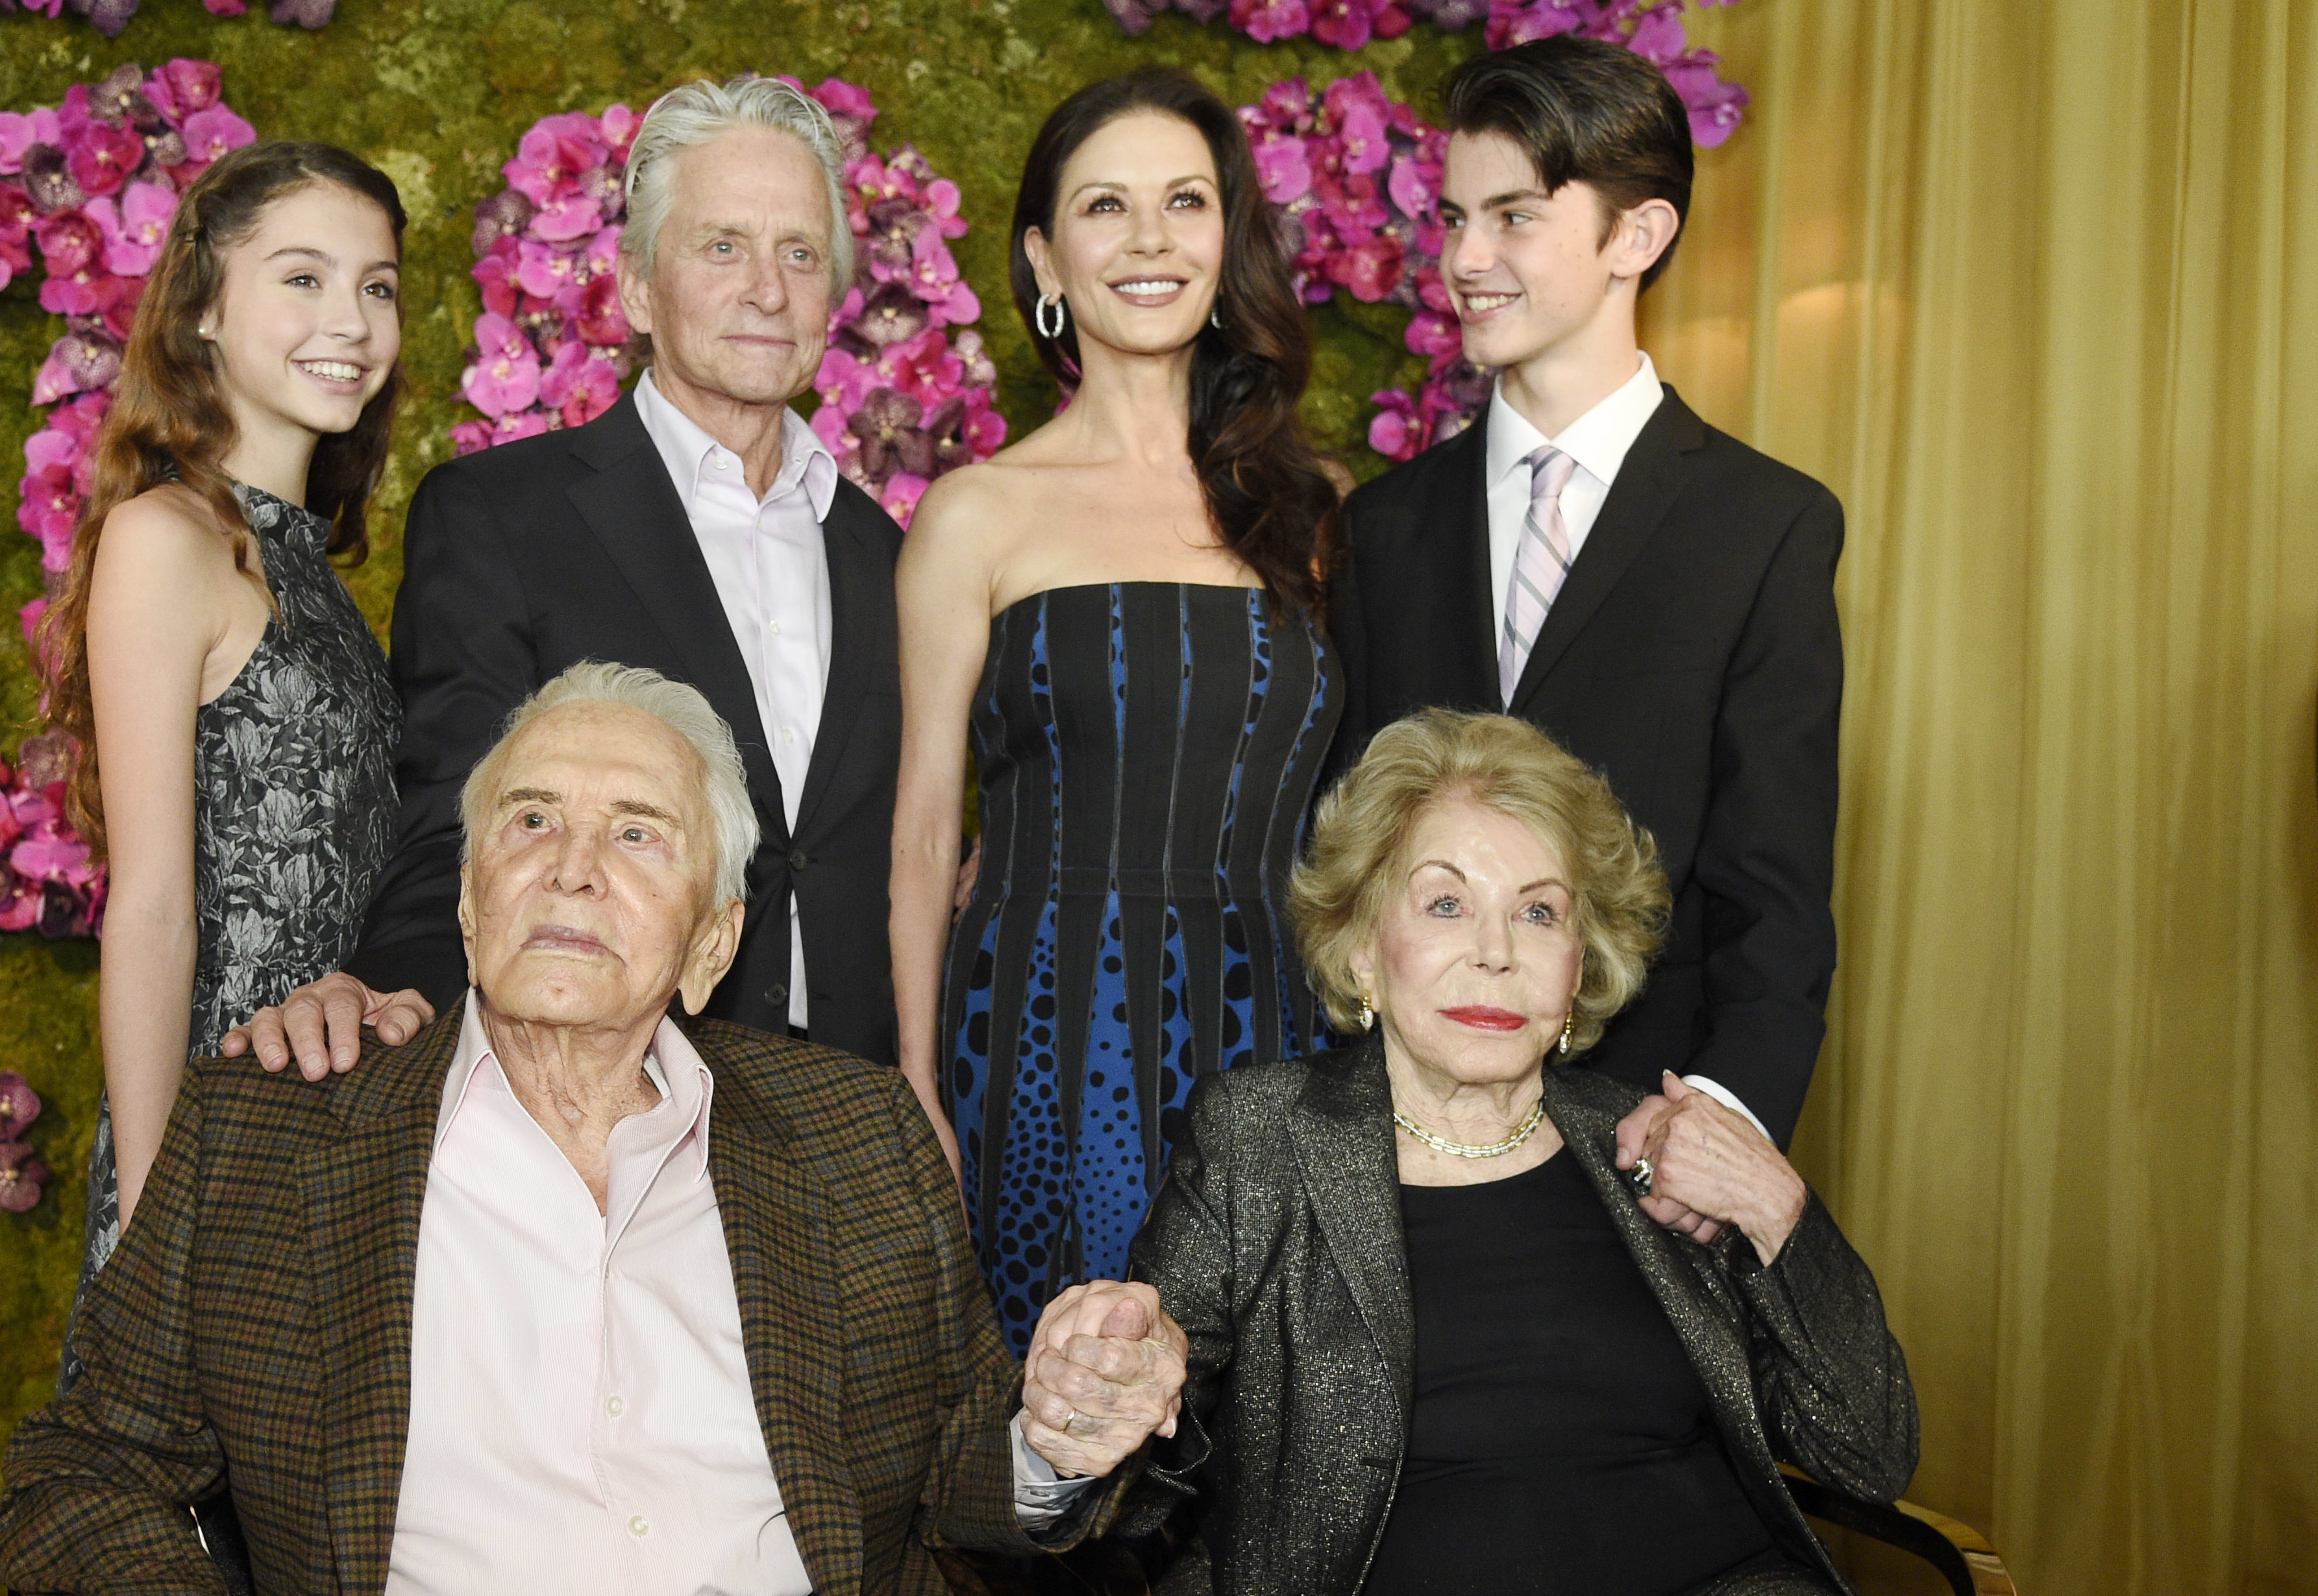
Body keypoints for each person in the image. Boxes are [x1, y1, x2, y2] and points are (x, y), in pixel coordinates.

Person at [0, 663, 1193, 1596]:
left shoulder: (849, 1136)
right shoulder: (277, 1142)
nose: (571, 867)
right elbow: (83, 1468)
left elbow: (954, 1476)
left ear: (710, 938)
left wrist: (1053, 1438)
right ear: (465, 902)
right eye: (530, 823)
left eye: (637, 835)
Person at [1124, 709, 2047, 1596]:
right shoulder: (1261, 1142)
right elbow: (1143, 1445)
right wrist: (1102, 1403)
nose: (1492, 950)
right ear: (1361, 945)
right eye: (1443, 903)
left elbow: (1865, 1448)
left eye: (1536, 913)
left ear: (1579, 969)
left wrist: (1782, 1215)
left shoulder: (1645, 1149)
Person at [252, 73, 907, 1078]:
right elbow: (450, 825)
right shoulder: (501, 518)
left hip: (852, 1109)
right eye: (722, 246)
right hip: (600, 1109)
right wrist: (388, 990)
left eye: (800, 254)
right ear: (639, 286)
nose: (767, 289)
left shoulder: (887, 553)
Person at [887, 68, 1346, 1354]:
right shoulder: (975, 513)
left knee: (1264, 1418)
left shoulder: (1305, 511)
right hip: (1043, 1032)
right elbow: (925, 830)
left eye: (1184, 202)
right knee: (1070, 1427)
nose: (1148, 241)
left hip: (1274, 1038)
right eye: (1104, 206)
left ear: (1226, 238)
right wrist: (919, 1082)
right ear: (1043, 253)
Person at [1324, 36, 1844, 1151]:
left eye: (1514, 216)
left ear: (1639, 235)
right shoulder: (1383, 527)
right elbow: (1350, 862)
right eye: (1454, 218)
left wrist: (1718, 1123)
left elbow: (1775, 891)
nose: (1467, 258)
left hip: (1650, 1131)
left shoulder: (1766, 526)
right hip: (1404, 1132)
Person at [32, 140, 406, 1310]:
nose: (349, 318)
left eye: (377, 285)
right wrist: (152, 1226)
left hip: (341, 1146)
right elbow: (147, 906)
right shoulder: (167, 539)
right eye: (301, 277)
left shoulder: (316, 570)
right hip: (223, 1161)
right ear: (202, 307)